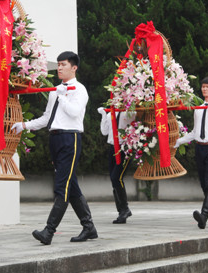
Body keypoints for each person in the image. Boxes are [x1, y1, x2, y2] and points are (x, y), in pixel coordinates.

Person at [12, 51, 97, 245]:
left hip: (70, 138)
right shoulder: (55, 90)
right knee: (71, 185)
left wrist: (63, 97)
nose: (59, 68)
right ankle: (89, 227)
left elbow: (75, 113)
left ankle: (49, 231)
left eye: (64, 64)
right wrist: (24, 125)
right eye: (58, 64)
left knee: (62, 187)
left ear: (74, 68)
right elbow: (46, 118)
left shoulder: (79, 89)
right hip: (55, 139)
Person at [175, 76, 208, 229]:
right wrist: (179, 141)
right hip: (199, 147)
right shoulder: (198, 109)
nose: (205, 89)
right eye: (203, 86)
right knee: (204, 184)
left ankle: (204, 215)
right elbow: (195, 131)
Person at [98, 108, 136, 224]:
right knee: (113, 179)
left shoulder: (131, 112)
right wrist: (104, 114)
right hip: (112, 147)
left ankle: (124, 208)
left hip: (124, 147)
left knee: (117, 177)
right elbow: (104, 132)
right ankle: (122, 211)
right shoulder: (111, 114)